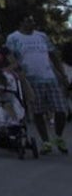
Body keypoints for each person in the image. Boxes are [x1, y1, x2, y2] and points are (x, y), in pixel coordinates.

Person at [6, 14, 69, 154]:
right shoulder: (13, 38)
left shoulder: (42, 36)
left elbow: (53, 56)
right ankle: (46, 141)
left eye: (33, 20)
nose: (32, 22)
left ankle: (58, 137)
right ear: (21, 22)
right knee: (38, 112)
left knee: (61, 110)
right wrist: (16, 72)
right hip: (30, 79)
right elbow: (10, 57)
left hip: (49, 77)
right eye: (28, 20)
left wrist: (62, 74)